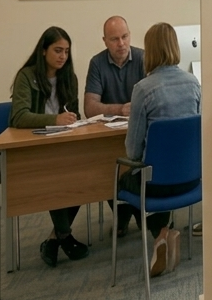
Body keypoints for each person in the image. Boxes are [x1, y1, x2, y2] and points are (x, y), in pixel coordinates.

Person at [120, 22, 201, 277]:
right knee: (157, 172)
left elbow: (132, 151)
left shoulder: (143, 89)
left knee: (128, 178)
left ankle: (162, 235)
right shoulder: (193, 83)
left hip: (156, 184)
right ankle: (163, 234)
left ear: (149, 52)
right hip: (191, 182)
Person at [9, 26, 89, 267]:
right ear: (43, 51)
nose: (62, 56)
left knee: (83, 177)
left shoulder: (69, 78)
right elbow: (19, 117)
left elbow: (74, 112)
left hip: (64, 143)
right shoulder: (27, 76)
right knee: (57, 176)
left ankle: (55, 239)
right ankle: (64, 236)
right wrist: (53, 120)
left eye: (66, 51)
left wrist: (74, 121)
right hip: (36, 146)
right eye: (57, 50)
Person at [86, 15, 149, 236]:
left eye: (124, 37)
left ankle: (141, 215)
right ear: (105, 41)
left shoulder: (143, 58)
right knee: (106, 166)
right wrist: (120, 109)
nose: (121, 44)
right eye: (114, 39)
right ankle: (123, 214)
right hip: (109, 137)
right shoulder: (97, 63)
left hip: (140, 135)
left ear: (130, 35)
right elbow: (90, 107)